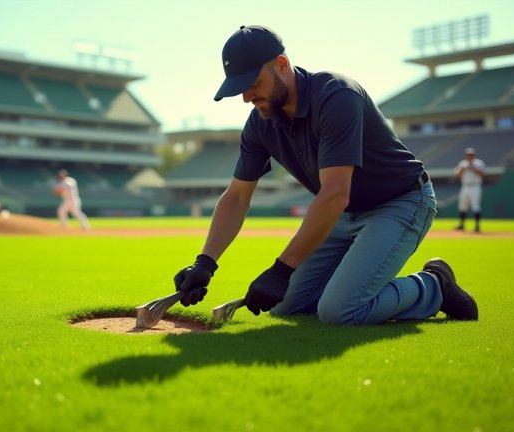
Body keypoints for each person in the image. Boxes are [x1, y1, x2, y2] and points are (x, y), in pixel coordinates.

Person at [173, 25, 478, 325]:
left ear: (281, 65)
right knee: (286, 307)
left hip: (400, 201)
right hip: (344, 212)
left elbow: (334, 192)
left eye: (252, 82)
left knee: (339, 311)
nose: (246, 97)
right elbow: (238, 196)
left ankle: (435, 285)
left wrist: (281, 271)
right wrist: (205, 263)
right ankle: (345, 291)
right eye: (239, 88)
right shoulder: (260, 123)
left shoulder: (336, 96)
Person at [454, 147, 485, 233]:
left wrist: (472, 168)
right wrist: (463, 169)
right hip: (465, 186)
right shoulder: (463, 163)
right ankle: (461, 225)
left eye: (471, 155)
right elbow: (457, 174)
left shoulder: (478, 163)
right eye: (468, 155)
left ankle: (477, 226)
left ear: (474, 155)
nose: (469, 156)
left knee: (476, 206)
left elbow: (482, 174)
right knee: (462, 206)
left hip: (475, 186)